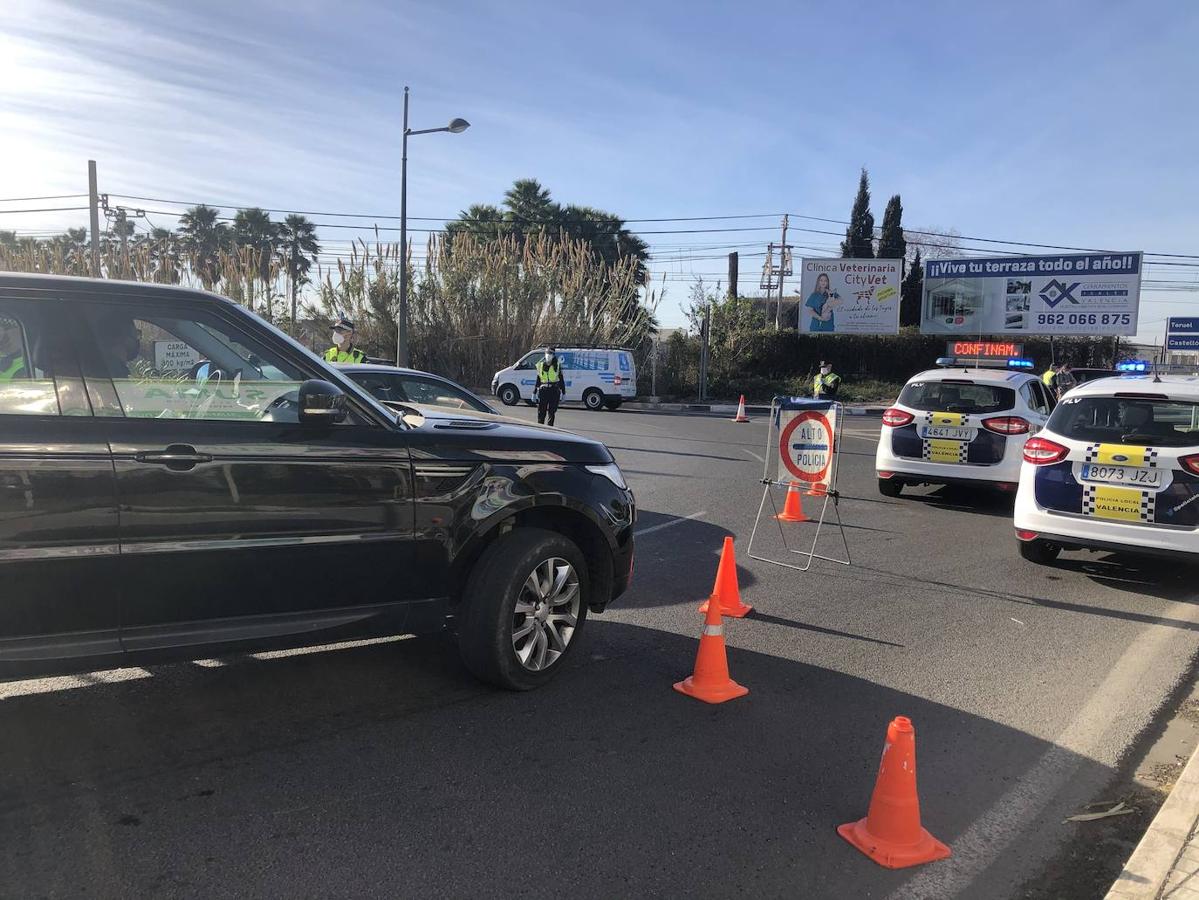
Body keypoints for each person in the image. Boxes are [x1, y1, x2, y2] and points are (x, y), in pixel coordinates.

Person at [534, 347, 566, 426]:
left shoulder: (557, 366)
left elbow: (561, 380)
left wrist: (563, 393)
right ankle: (540, 428)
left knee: (552, 412)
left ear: (553, 355)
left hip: (554, 390)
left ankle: (549, 430)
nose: (548, 355)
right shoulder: (540, 365)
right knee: (541, 412)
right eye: (547, 353)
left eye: (550, 353)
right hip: (543, 391)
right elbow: (538, 379)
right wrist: (534, 392)